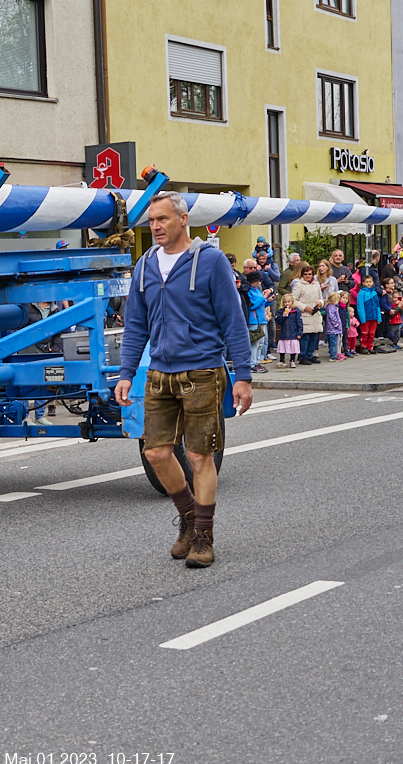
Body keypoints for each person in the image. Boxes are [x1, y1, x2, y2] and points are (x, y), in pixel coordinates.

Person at [114, 191, 252, 569]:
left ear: (182, 219)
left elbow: (233, 321)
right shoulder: (144, 266)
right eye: (151, 221)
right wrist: (126, 374)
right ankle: (189, 520)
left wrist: (243, 375)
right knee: (156, 453)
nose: (156, 226)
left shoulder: (209, 262)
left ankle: (204, 537)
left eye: (162, 219)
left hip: (203, 371)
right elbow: (135, 326)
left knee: (198, 456)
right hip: (159, 372)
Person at [290, 265, 324, 364]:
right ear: (302, 275)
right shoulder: (298, 285)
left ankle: (310, 354)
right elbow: (294, 300)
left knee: (314, 336)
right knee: (305, 337)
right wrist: (304, 307)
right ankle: (302, 356)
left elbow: (321, 297)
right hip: (305, 314)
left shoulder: (316, 284)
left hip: (315, 313)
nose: (308, 276)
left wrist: (320, 303)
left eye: (310, 274)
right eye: (305, 274)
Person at [245, 272, 269, 374]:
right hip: (254, 320)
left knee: (261, 343)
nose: (259, 281)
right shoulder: (249, 292)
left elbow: (262, 303)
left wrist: (268, 300)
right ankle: (252, 363)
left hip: (262, 319)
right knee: (255, 342)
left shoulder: (258, 291)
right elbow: (252, 306)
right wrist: (263, 298)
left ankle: (257, 361)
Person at [274, 293, 302, 368]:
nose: (287, 303)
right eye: (285, 302)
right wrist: (283, 316)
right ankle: (282, 360)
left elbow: (299, 322)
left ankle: (292, 360)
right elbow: (278, 321)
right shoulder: (280, 311)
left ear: (292, 302)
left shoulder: (296, 311)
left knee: (293, 348)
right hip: (284, 333)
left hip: (293, 332)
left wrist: (299, 332)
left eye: (289, 302)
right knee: (282, 347)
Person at [355, 274, 381, 354]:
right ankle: (364, 347)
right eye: (367, 282)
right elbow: (360, 306)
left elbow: (377, 306)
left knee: (372, 333)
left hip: (374, 317)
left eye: (370, 281)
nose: (369, 283)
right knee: (365, 333)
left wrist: (379, 317)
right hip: (366, 317)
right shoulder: (362, 293)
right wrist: (362, 318)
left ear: (373, 282)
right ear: (363, 283)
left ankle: (370, 347)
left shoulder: (374, 293)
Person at [324, 292, 344, 361]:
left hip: (334, 329)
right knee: (333, 343)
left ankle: (334, 354)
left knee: (334, 342)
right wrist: (337, 325)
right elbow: (332, 318)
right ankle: (332, 356)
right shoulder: (331, 308)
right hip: (333, 329)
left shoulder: (334, 307)